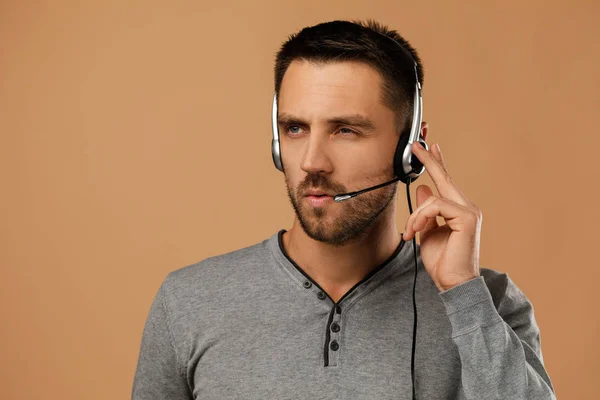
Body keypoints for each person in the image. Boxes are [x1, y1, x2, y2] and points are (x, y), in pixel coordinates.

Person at [132, 19, 556, 399]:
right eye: (295, 128)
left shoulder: (488, 302)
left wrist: (462, 295)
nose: (313, 161)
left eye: (345, 130)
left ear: (411, 149)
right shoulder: (189, 301)